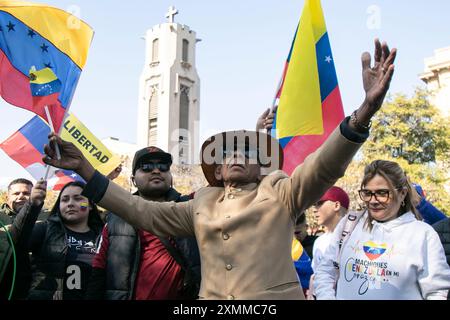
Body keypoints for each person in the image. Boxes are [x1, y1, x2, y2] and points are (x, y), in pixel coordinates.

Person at [44, 39, 397, 299]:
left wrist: (364, 111)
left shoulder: (281, 190)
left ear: (261, 166)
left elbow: (324, 165)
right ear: (217, 167)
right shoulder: (201, 202)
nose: (236, 156)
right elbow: (141, 211)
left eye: (247, 151)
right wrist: (86, 171)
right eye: (227, 152)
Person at [313, 160, 450, 300]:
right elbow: (325, 271)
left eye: (382, 193)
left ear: (402, 193)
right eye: (367, 193)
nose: (373, 200)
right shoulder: (349, 224)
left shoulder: (423, 234)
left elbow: (437, 292)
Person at [85, 147, 201, 300]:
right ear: (133, 180)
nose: (156, 171)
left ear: (171, 176)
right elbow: (99, 270)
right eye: (146, 167)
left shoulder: (193, 208)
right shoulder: (115, 218)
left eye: (163, 166)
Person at [26, 181, 104, 300]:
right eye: (65, 200)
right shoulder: (44, 229)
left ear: (90, 205)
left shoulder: (104, 236)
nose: (70, 204)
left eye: (78, 199)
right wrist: (32, 206)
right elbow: (16, 242)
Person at [0, 179, 45, 300]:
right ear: (7, 196)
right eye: (16, 193)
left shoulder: (47, 218)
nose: (21, 196)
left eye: (26, 193)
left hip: (35, 286)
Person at [311, 186, 350, 272]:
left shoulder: (357, 239)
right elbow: (316, 277)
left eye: (319, 203)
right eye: (314, 205)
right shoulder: (319, 242)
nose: (314, 209)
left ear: (336, 205)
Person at [292, 214, 314, 296]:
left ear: (306, 227)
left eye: (297, 233)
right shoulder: (287, 246)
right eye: (291, 233)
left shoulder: (316, 244)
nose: (294, 237)